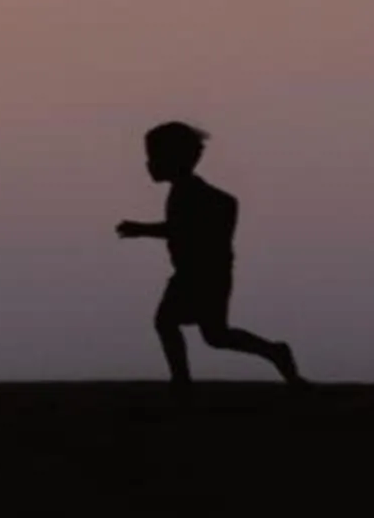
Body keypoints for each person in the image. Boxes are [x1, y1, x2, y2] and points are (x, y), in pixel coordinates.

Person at [116, 123, 305, 391]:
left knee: (172, 323)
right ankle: (274, 352)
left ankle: (182, 380)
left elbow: (183, 227)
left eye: (155, 157)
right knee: (215, 335)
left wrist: (141, 229)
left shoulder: (189, 192)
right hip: (199, 273)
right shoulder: (184, 191)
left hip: (201, 275)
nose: (149, 164)